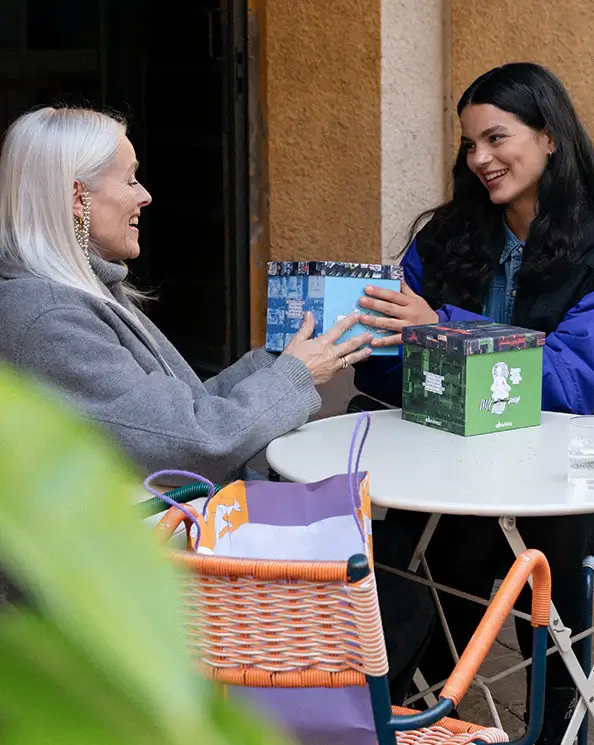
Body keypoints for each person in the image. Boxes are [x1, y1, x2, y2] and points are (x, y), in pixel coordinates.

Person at [0, 106, 431, 705]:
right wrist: (294, 375)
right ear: (78, 196)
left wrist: (283, 362)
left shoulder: (69, 294)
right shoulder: (49, 317)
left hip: (135, 552)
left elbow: (169, 413)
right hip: (123, 585)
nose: (145, 195)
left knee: (383, 585)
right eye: (130, 179)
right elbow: (190, 439)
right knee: (394, 606)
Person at [353, 62, 594, 743]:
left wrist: (439, 329)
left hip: (559, 479)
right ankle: (416, 712)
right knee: (385, 527)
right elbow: (379, 364)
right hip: (444, 469)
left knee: (549, 539)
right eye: (470, 145)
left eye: (497, 138)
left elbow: (580, 382)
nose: (481, 159)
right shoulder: (444, 236)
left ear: (550, 137)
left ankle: (556, 726)